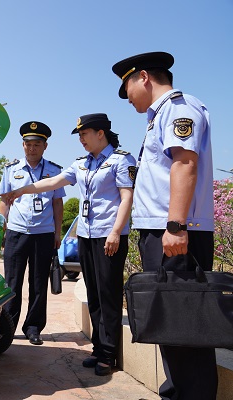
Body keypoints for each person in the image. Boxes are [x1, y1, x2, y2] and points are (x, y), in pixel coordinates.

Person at [112, 51, 217, 399]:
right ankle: (175, 392)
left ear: (143, 77)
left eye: (126, 88)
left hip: (175, 233)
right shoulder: (159, 116)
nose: (127, 98)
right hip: (163, 232)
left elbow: (185, 163)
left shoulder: (178, 108)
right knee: (171, 325)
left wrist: (175, 225)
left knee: (187, 327)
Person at [1, 114, 135, 375]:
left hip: (108, 235)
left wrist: (116, 232)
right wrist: (20, 191)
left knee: (108, 294)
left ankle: (108, 354)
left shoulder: (121, 160)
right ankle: (98, 349)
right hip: (86, 235)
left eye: (84, 134)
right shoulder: (81, 164)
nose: (81, 139)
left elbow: (126, 197)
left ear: (100, 133)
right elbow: (53, 182)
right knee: (93, 294)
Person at [0, 121, 65, 346]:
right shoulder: (11, 169)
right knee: (12, 282)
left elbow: (57, 203)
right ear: (23, 145)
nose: (32, 148)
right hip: (16, 232)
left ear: (45, 146)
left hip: (43, 234)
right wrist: (2, 228)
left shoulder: (54, 171)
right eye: (28, 144)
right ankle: (7, 326)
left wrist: (57, 233)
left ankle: (33, 327)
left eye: (37, 144)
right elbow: (5, 202)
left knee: (38, 282)